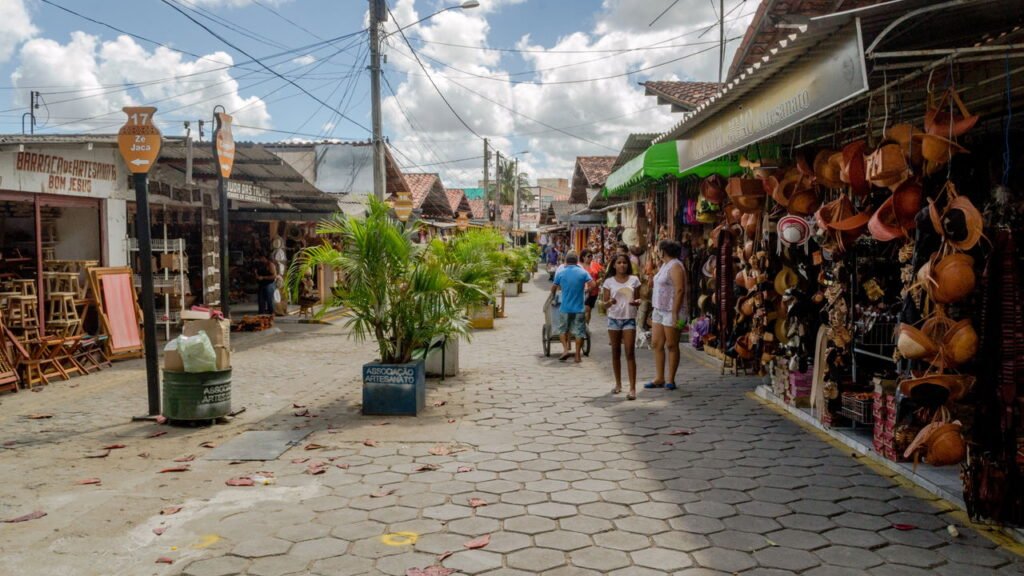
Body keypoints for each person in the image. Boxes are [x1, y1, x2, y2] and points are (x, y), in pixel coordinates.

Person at [645, 239, 686, 391]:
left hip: (671, 310)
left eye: (659, 250)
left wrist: (675, 312)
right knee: (656, 343)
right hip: (659, 309)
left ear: (664, 251)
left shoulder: (675, 265)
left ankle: (671, 379)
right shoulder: (664, 265)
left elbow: (680, 289)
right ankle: (659, 377)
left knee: (671, 344)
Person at [601, 253, 641, 400]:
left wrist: (637, 302)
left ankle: (632, 388)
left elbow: (638, 298)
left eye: (624, 262)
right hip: (614, 319)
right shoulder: (609, 282)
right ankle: (618, 384)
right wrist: (610, 302)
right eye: (619, 262)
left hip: (629, 318)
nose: (622, 265)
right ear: (614, 265)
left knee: (630, 352)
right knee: (615, 352)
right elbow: (604, 304)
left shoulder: (634, 280)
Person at [551, 251, 592, 363]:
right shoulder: (583, 272)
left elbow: (554, 287)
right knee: (579, 332)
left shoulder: (561, 273)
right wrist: (586, 292)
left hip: (565, 308)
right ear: (577, 261)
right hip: (579, 308)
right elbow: (592, 285)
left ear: (566, 262)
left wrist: (553, 296)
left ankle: (565, 350)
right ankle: (577, 356)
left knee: (562, 329)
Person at [580, 249, 603, 324]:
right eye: (588, 256)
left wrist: (597, 283)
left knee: (588, 310)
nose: (591, 258)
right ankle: (582, 328)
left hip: (593, 292)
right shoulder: (579, 266)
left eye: (591, 256)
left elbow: (602, 276)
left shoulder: (596, 265)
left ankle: (586, 327)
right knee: (583, 310)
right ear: (583, 257)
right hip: (581, 292)